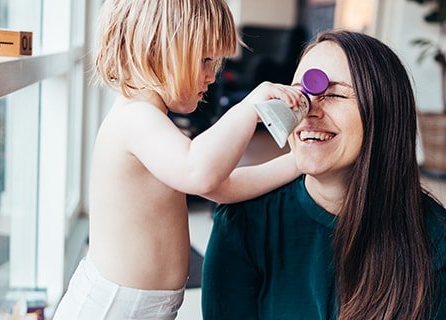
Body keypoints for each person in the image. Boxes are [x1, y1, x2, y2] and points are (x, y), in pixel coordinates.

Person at [53, 0, 304, 319]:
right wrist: (248, 108)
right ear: (159, 48)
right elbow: (199, 171)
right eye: (205, 60)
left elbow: (220, 185)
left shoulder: (154, 123)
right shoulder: (136, 118)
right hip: (111, 310)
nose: (212, 76)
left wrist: (296, 163)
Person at [202, 30, 446, 320]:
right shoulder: (244, 221)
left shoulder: (435, 237)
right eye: (299, 94)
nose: (308, 111)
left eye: (335, 94)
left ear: (384, 111)